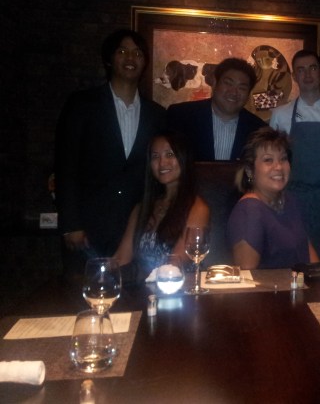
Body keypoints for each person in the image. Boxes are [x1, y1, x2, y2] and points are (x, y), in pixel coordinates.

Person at [55, 29, 166, 275]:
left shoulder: (157, 114)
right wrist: (71, 224)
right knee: (81, 293)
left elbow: (157, 172)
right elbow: (65, 165)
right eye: (122, 51)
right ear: (109, 59)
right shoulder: (82, 104)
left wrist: (153, 213)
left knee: (134, 294)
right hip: (87, 228)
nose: (131, 58)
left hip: (135, 228)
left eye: (138, 53)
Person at [269, 50, 320, 265]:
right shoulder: (281, 114)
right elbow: (273, 163)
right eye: (301, 70)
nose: (307, 74)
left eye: (313, 68)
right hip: (291, 198)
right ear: (294, 76)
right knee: (290, 256)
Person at [113, 131, 209, 279]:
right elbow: (121, 258)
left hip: (180, 287)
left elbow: (176, 263)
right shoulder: (142, 208)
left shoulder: (197, 208)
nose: (162, 163)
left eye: (169, 154)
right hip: (142, 287)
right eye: (155, 156)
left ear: (183, 158)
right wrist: (100, 276)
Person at [226, 127, 319, 269]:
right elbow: (246, 275)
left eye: (283, 159)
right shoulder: (249, 210)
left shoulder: (290, 201)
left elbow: (311, 260)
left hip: (299, 282)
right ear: (250, 171)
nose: (278, 167)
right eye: (268, 160)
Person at [167, 57, 267, 161]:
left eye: (242, 88)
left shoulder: (258, 129)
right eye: (228, 83)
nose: (234, 92)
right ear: (214, 83)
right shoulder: (181, 116)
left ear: (248, 93)